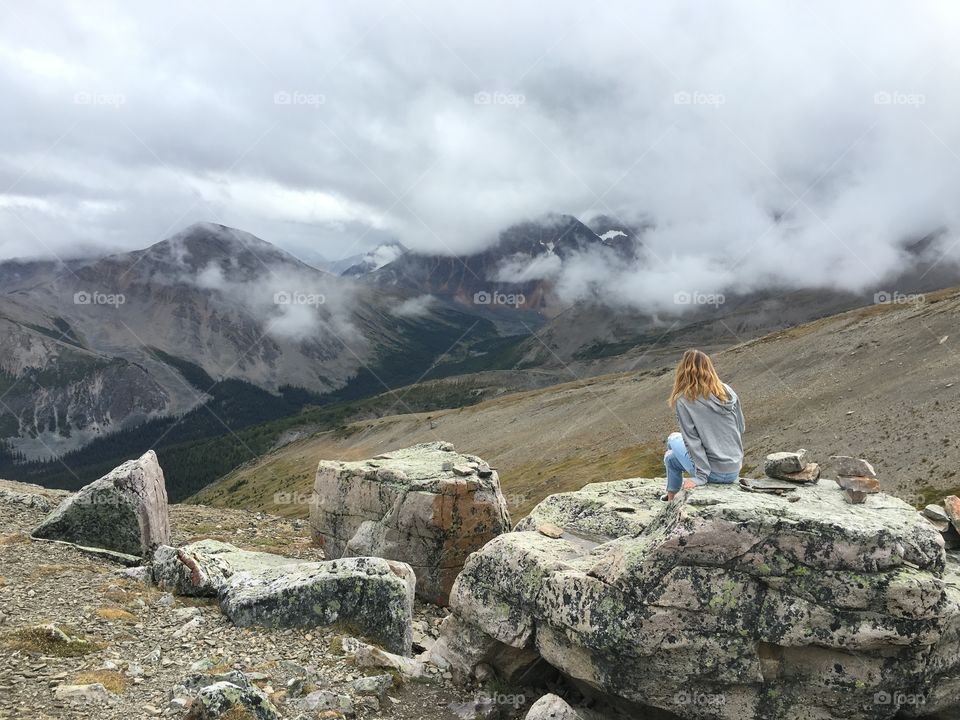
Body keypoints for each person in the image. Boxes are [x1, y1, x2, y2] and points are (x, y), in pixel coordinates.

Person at [662, 349, 745, 501]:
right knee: (671, 458)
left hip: (712, 474)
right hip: (734, 470)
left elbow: (692, 441)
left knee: (673, 438)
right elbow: (741, 427)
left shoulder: (684, 399)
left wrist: (700, 477)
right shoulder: (727, 391)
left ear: (683, 370)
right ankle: (670, 498)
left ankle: (673, 503)